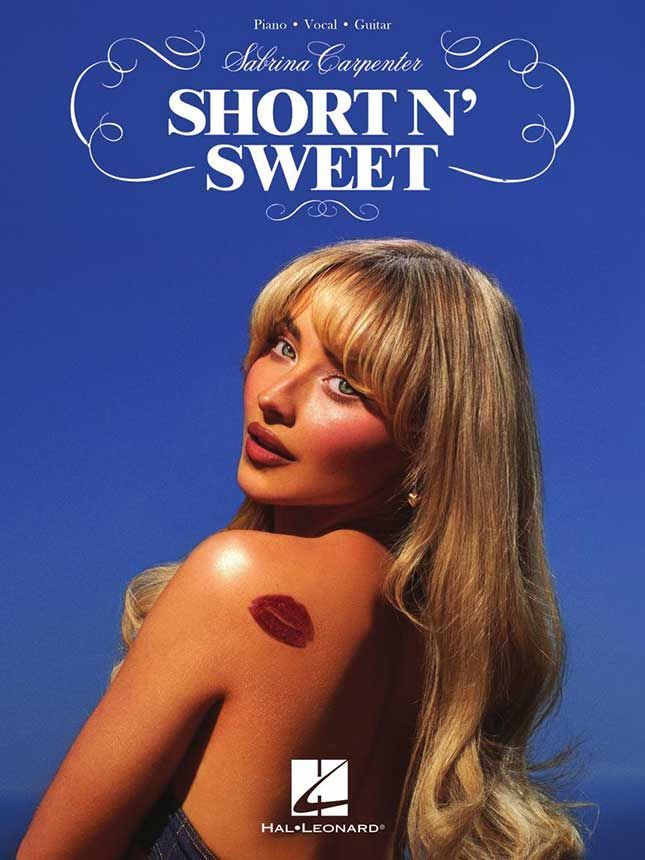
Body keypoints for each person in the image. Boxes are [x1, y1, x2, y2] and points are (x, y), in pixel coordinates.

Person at [17, 238, 591, 860]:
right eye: (284, 346)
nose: (275, 396)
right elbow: (319, 820)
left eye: (344, 384)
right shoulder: (429, 641)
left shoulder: (240, 577)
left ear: (430, 451)